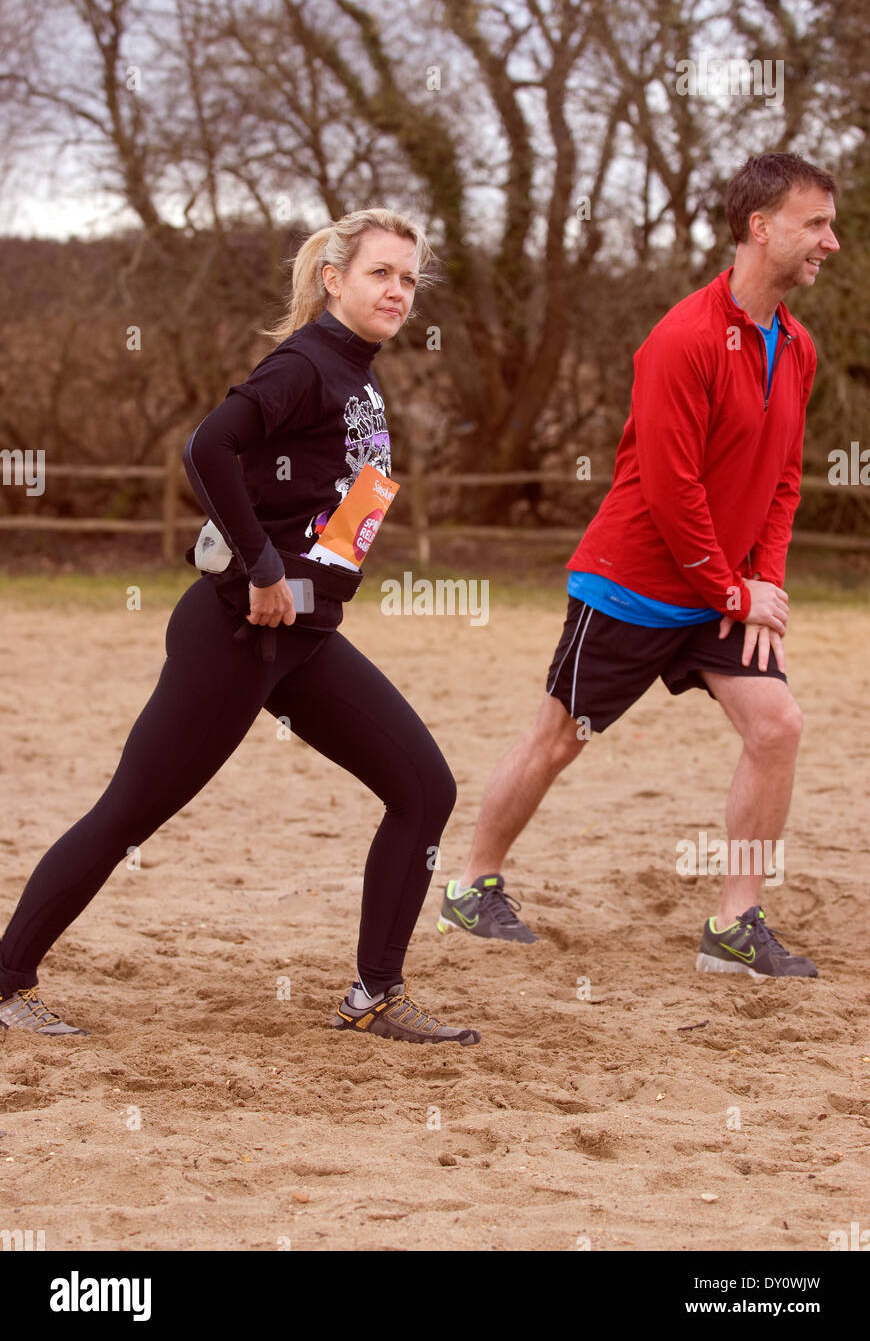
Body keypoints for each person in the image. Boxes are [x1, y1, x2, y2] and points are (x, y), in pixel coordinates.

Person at [0, 207, 480, 1045]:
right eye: (380, 274)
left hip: (304, 638)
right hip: (238, 631)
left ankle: (375, 992)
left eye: (409, 278)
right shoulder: (303, 364)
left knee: (423, 788)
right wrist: (260, 567)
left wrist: (311, 579)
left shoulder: (359, 376)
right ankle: (5, 982)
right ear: (335, 281)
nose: (399, 290)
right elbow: (206, 448)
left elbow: (341, 499)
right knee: (130, 812)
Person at [440, 153, 839, 979]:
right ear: (760, 228)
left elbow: (783, 477)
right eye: (816, 224)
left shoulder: (796, 346)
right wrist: (730, 585)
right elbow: (669, 487)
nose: (830, 242)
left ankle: (734, 925)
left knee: (778, 725)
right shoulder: (682, 339)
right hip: (633, 585)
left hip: (722, 594)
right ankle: (471, 887)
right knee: (559, 739)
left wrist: (760, 582)